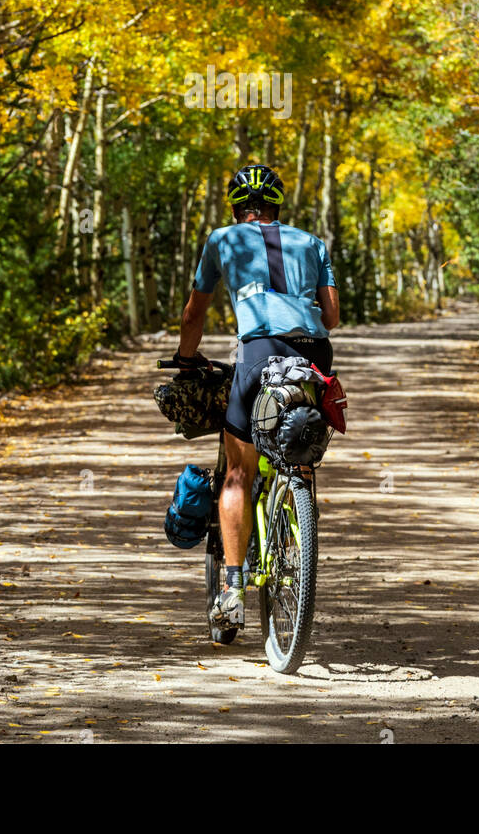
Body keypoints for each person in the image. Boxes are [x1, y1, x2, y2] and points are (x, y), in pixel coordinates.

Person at [175, 163, 339, 630]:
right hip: (314, 354)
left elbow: (194, 314)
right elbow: (331, 317)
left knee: (237, 473)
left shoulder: (221, 240)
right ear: (276, 206)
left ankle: (232, 590)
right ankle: (297, 502)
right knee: (297, 436)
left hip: (260, 350)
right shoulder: (312, 243)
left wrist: (187, 360)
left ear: (235, 207)